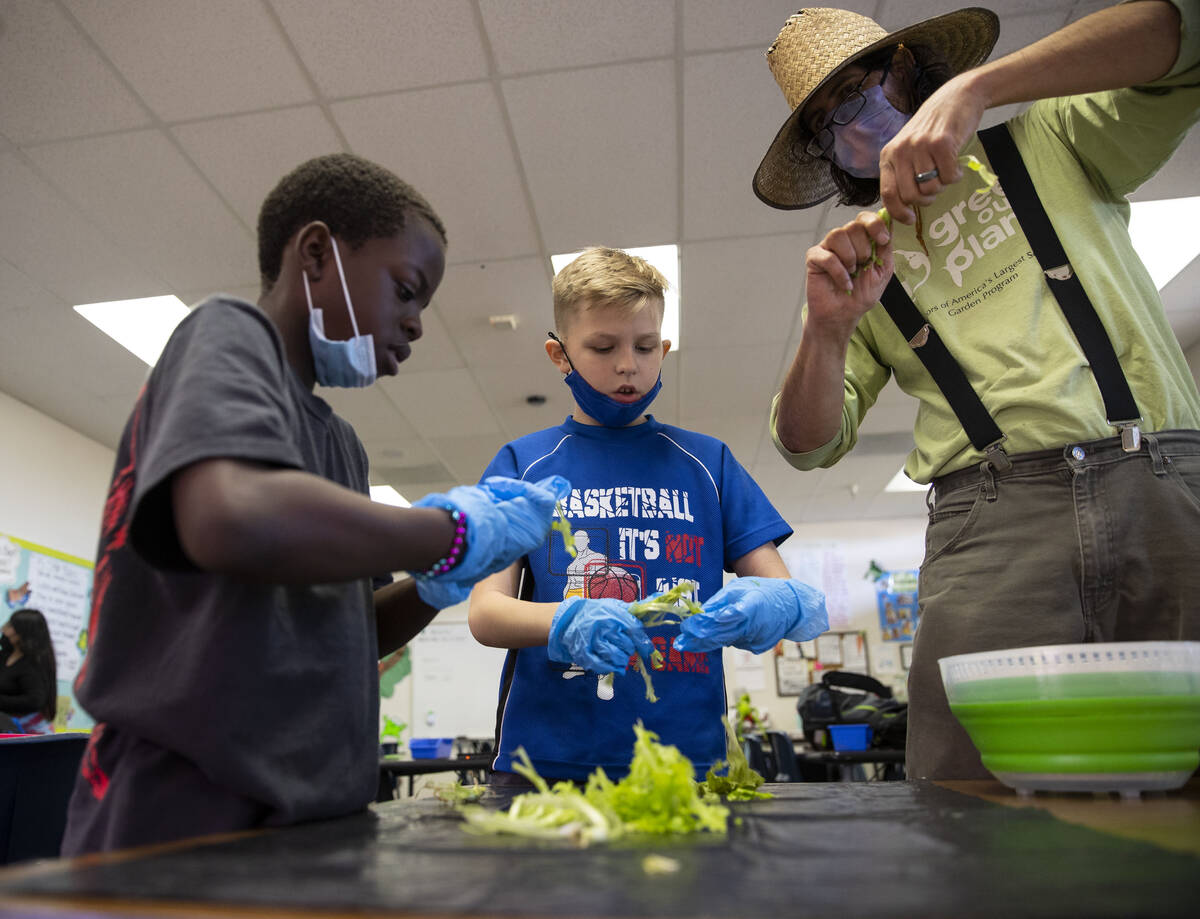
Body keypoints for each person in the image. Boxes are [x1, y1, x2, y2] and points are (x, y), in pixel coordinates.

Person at [60, 153, 569, 855]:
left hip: (312, 811)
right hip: (185, 810)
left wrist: (436, 584)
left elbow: (353, 629)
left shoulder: (342, 446)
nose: (417, 323)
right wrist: (445, 531)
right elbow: (228, 516)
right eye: (407, 289)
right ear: (316, 253)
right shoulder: (227, 334)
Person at [753, 3, 1200, 779]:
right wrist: (824, 331)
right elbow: (807, 443)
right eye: (828, 122)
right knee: (967, 791)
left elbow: (1181, 33)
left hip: (1160, 480)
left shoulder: (1050, 139)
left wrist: (984, 89)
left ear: (909, 71)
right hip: (992, 520)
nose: (853, 125)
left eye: (861, 89)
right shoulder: (855, 263)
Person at [468, 247, 828, 784]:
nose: (627, 365)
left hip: (688, 760)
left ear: (664, 348)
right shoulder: (523, 465)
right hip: (546, 759)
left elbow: (781, 592)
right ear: (558, 354)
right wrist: (562, 620)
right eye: (603, 346)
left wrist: (776, 605)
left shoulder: (709, 464)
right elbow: (485, 612)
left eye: (644, 346)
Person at [0, 608, 57, 734]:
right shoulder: (4, 656)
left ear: (24, 632)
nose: (4, 630)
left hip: (29, 732)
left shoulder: (34, 664)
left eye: (10, 626)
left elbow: (34, 700)